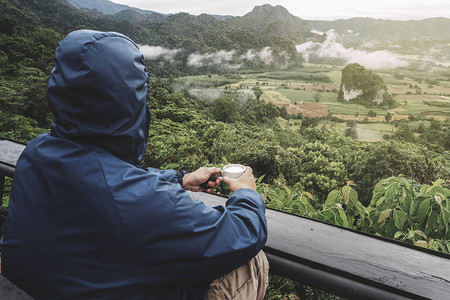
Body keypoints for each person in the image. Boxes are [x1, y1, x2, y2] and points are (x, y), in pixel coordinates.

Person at [0, 30, 268, 299]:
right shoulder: (138, 201)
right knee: (251, 262)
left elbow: (108, 178)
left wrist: (179, 179)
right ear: (131, 102)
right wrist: (247, 193)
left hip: (35, 288)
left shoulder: (37, 151)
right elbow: (242, 234)